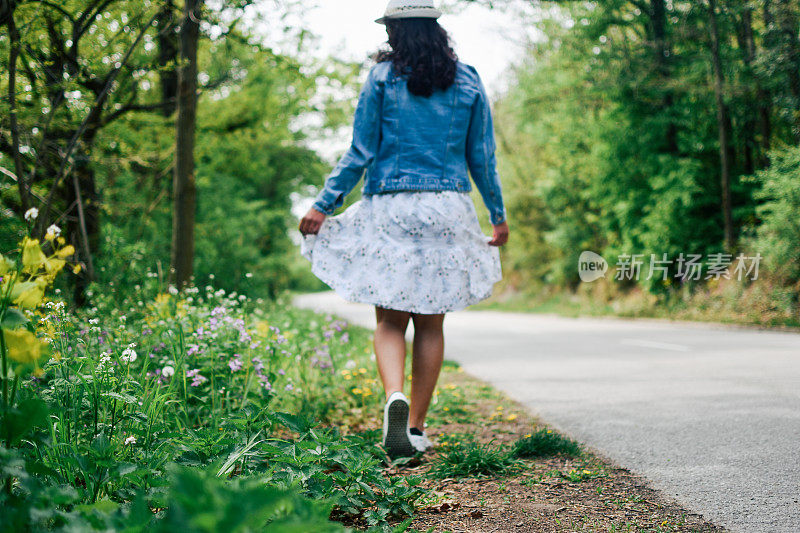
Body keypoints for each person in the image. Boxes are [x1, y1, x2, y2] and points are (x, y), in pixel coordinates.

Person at [298, 0, 509, 458]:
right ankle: (414, 427)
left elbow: (359, 152)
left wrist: (323, 204)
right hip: (448, 207)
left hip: (391, 206)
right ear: (436, 29)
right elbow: (482, 158)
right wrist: (497, 213)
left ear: (395, 31)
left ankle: (393, 395)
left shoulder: (381, 78)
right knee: (431, 325)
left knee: (390, 319)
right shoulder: (468, 79)